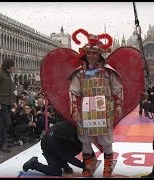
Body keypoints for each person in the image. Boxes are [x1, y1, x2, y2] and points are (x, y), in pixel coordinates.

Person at [69, 29, 123, 177]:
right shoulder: (79, 72)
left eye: (94, 53)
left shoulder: (107, 71)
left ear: (99, 54)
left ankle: (107, 167)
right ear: (85, 53)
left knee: (106, 140)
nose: (91, 55)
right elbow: (73, 91)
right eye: (89, 53)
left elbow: (117, 89)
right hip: (85, 111)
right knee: (86, 141)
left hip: (105, 110)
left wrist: (119, 105)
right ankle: (87, 167)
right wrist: (74, 109)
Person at [22, 121, 96, 176]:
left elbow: (84, 142)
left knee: (77, 148)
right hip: (49, 148)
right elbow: (66, 156)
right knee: (55, 172)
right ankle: (33, 163)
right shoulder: (59, 140)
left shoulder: (75, 129)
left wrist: (93, 155)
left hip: (60, 144)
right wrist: (84, 166)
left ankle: (63, 164)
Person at [0, 58, 16, 153]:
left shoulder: (9, 75)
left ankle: (4, 142)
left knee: (6, 122)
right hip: (2, 101)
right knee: (4, 123)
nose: (14, 68)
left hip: (8, 102)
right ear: (8, 66)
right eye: (13, 66)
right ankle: (2, 145)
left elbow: (11, 90)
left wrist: (13, 101)